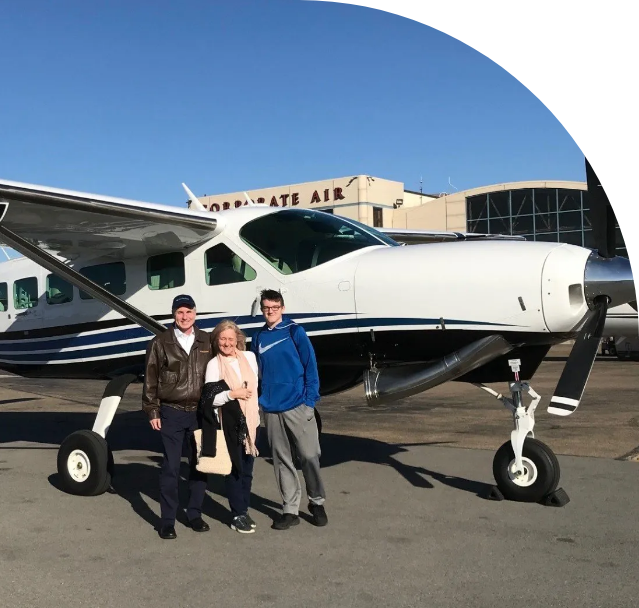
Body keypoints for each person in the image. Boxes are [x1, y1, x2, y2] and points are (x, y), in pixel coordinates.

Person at [251, 288, 327, 530]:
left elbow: (311, 368)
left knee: (309, 455)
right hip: (271, 409)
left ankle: (316, 502)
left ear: (282, 308)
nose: (270, 311)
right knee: (281, 459)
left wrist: (309, 403)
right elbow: (256, 374)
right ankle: (290, 509)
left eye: (275, 307)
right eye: (266, 308)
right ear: (262, 309)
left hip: (298, 405)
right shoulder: (259, 337)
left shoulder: (295, 331)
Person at [142, 294, 213, 539]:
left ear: (195, 313)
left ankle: (194, 514)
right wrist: (152, 409)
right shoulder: (160, 342)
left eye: (189, 312)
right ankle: (167, 520)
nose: (185, 317)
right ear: (174, 314)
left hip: (199, 414)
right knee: (171, 468)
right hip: (171, 413)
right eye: (180, 312)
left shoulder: (207, 340)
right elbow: (150, 378)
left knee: (198, 465)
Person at [202, 320, 260, 534]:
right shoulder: (214, 365)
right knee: (235, 470)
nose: (227, 343)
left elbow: (256, 386)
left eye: (230, 339)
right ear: (217, 341)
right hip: (229, 424)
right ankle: (237, 514)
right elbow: (209, 399)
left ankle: (243, 509)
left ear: (238, 340)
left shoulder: (250, 358)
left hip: (252, 423)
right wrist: (232, 394)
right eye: (223, 339)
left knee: (248, 470)